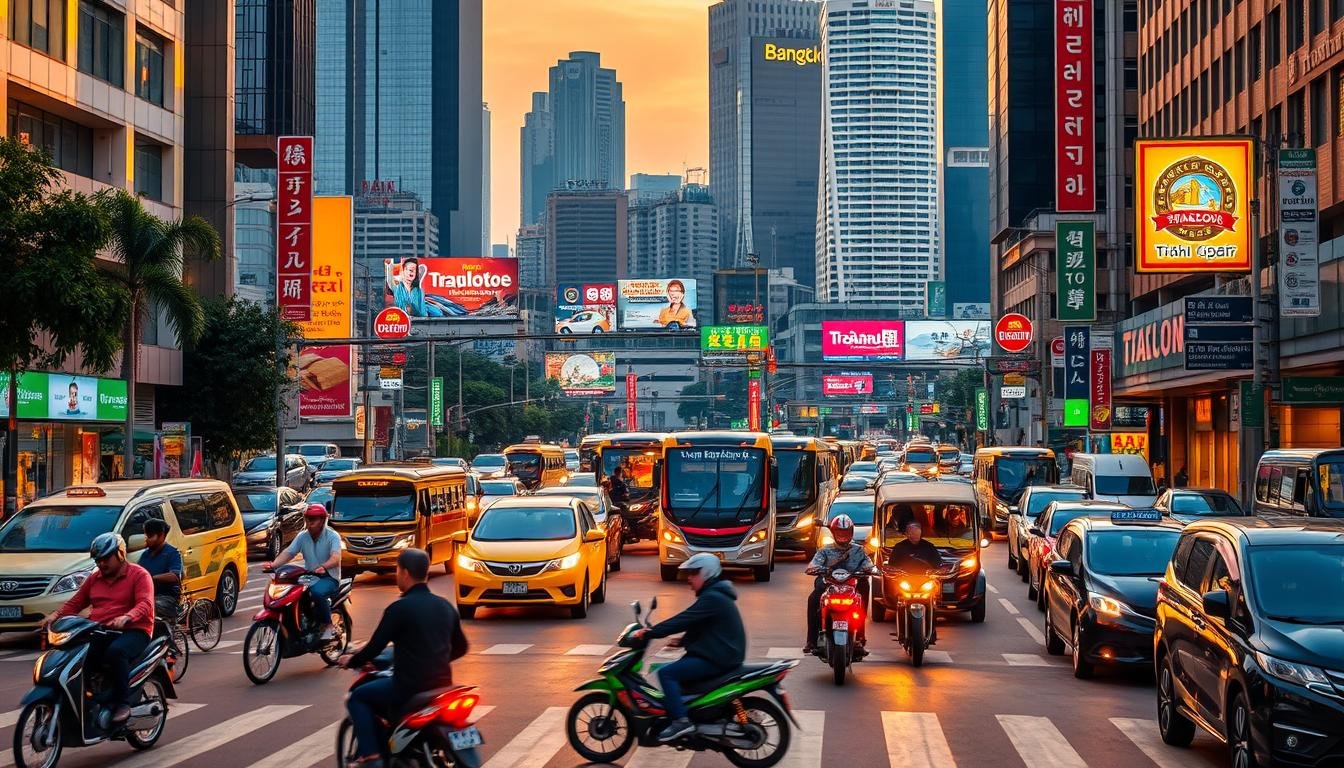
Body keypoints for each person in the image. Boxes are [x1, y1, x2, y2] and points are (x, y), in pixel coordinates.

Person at [339, 548, 468, 767]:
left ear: (405, 573)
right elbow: (461, 647)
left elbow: (374, 647)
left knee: (358, 697)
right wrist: (435, 659)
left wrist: (351, 660)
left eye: (398, 570)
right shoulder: (444, 606)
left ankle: (370, 755)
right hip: (443, 685)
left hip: (407, 687)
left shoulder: (399, 608)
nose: (397, 574)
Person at [42, 533, 154, 724]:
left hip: (134, 630)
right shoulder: (94, 579)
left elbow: (145, 604)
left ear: (120, 554)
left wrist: (127, 617)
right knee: (76, 653)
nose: (101, 564)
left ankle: (122, 702)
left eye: (105, 558)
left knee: (116, 652)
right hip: (102, 630)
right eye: (98, 560)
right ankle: (89, 696)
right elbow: (74, 604)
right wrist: (54, 616)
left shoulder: (139, 575)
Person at [634, 553, 745, 743]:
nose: (689, 578)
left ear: (707, 573)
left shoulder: (713, 597)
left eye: (693, 573)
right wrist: (682, 641)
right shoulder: (715, 595)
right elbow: (701, 624)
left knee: (667, 674)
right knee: (681, 675)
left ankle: (681, 722)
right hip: (720, 653)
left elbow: (685, 619)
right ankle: (694, 714)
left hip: (718, 657)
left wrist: (651, 632)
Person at [263, 503, 342, 640]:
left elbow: (336, 557)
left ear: (323, 520)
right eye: (308, 519)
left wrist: (324, 566)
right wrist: (274, 565)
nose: (310, 523)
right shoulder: (302, 536)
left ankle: (328, 625)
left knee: (317, 592)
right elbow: (289, 553)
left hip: (329, 577)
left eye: (314, 520)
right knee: (292, 591)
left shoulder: (332, 536)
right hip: (310, 576)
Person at [804, 515, 877, 657]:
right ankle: (811, 640)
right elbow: (813, 564)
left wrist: (872, 570)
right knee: (813, 599)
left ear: (851, 533)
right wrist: (815, 569)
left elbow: (868, 564)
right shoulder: (824, 550)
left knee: (863, 590)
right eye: (839, 533)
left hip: (852, 584)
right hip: (829, 583)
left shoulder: (858, 550)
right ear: (833, 533)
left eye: (846, 533)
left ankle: (859, 638)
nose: (843, 536)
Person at [138, 519, 183, 629]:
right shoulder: (145, 555)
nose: (146, 539)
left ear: (161, 535)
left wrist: (151, 578)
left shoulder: (172, 553)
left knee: (150, 607)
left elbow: (175, 576)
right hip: (147, 596)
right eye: (146, 535)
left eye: (150, 535)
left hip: (167, 598)